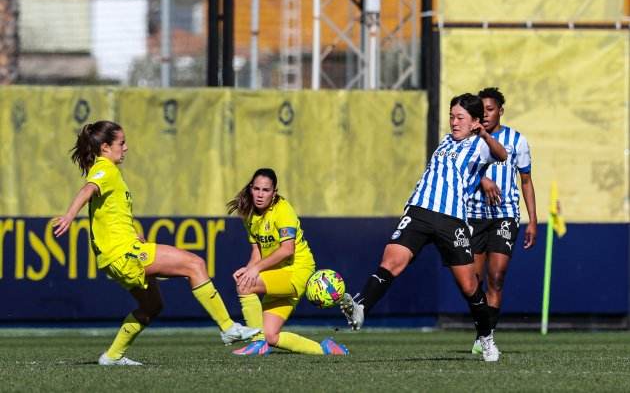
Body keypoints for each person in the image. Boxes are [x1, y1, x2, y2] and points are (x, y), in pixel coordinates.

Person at [53, 120, 259, 366]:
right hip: (124, 254)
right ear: (106, 147)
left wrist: (133, 234)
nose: (126, 148)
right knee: (194, 264)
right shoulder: (104, 169)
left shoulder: (109, 172)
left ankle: (112, 356)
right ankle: (228, 327)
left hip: (117, 255)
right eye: (121, 143)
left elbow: (111, 214)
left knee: (152, 306)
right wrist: (69, 215)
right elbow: (87, 190)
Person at [339, 93, 507, 362]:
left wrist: (485, 135)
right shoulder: (446, 141)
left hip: (451, 219)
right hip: (419, 210)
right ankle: (361, 307)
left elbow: (502, 155)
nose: (453, 122)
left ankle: (485, 337)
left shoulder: (479, 145)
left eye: (460, 117)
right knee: (391, 260)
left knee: (469, 286)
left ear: (475, 122)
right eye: (451, 116)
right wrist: (482, 178)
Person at [227, 168, 348, 356]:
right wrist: (249, 268)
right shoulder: (250, 214)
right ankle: (325, 350)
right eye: (256, 189)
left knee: (245, 286)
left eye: (266, 190)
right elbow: (257, 252)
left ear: (274, 193)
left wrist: (254, 271)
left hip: (296, 271)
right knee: (271, 335)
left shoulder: (283, 210)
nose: (260, 194)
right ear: (250, 189)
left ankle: (256, 343)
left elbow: (287, 249)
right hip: (278, 274)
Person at [468, 87, 537, 355]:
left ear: (500, 111)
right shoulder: (467, 140)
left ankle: (486, 336)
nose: (485, 115)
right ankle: (482, 328)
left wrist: (533, 220)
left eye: (490, 109)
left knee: (496, 278)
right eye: (481, 110)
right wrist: (482, 180)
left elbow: (527, 181)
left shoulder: (516, 140)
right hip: (474, 215)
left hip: (505, 216)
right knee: (473, 281)